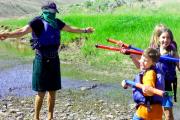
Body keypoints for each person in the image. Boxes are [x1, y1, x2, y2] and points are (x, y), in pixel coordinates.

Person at [0, 1, 94, 120]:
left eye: (55, 12)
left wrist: (85, 30)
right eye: (52, 11)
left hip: (54, 59)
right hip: (41, 60)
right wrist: (7, 34)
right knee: (41, 92)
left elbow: (70, 29)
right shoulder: (37, 22)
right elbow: (21, 31)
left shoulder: (56, 22)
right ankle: (36, 117)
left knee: (53, 91)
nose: (53, 14)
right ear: (46, 10)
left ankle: (50, 117)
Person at [150, 27, 179, 120]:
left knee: (168, 114)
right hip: (155, 84)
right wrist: (131, 55)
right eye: (163, 37)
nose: (165, 40)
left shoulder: (173, 53)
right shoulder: (154, 52)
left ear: (171, 40)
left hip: (167, 86)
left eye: (168, 38)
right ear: (158, 38)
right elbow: (143, 64)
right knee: (155, 112)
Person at [129, 48, 163, 120]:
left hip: (146, 111)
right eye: (141, 58)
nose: (141, 61)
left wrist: (147, 89)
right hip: (157, 111)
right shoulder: (152, 71)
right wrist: (127, 84)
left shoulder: (149, 74)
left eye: (145, 60)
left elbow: (150, 92)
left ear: (153, 63)